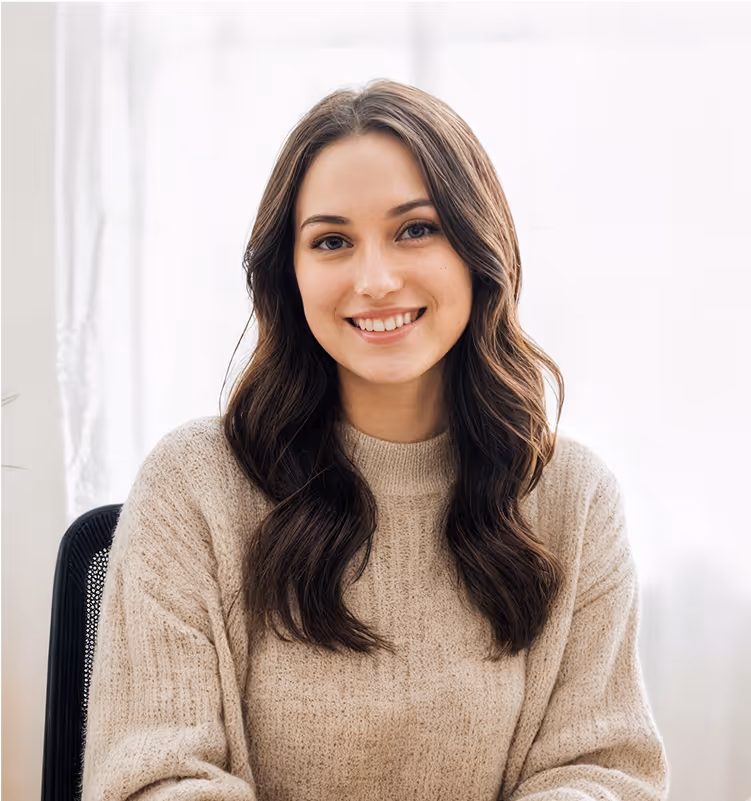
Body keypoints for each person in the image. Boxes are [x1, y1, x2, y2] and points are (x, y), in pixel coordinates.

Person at [81, 80, 668, 801]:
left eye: (414, 229)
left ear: (476, 247)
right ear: (287, 273)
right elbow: (153, 779)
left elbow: (602, 772)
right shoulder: (192, 483)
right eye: (331, 241)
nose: (375, 279)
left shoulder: (572, 496)